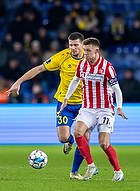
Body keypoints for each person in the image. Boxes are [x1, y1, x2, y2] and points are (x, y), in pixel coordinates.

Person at [6, 32, 90, 180]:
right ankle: (70, 142)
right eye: (71, 45)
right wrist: (18, 81)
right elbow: (39, 69)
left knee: (85, 139)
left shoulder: (91, 59)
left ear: (83, 45)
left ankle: (74, 172)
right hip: (65, 103)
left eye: (76, 45)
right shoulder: (63, 56)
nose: (73, 48)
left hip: (86, 104)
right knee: (63, 137)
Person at [59, 37, 127, 181]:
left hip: (105, 109)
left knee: (103, 143)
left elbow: (117, 90)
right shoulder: (82, 65)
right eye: (84, 51)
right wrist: (66, 98)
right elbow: (75, 80)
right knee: (77, 132)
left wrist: (119, 107)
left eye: (88, 51)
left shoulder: (107, 67)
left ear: (97, 51)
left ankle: (118, 171)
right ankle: (91, 165)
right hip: (88, 108)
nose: (85, 54)